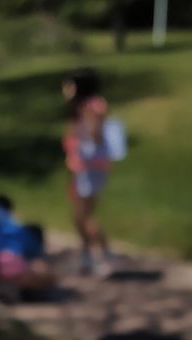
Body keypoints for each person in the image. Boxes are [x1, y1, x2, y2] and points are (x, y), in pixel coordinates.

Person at [62, 68, 115, 277]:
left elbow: (94, 134)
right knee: (78, 216)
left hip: (89, 167)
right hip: (82, 167)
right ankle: (87, 256)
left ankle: (105, 254)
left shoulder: (92, 106)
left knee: (84, 215)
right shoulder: (81, 107)